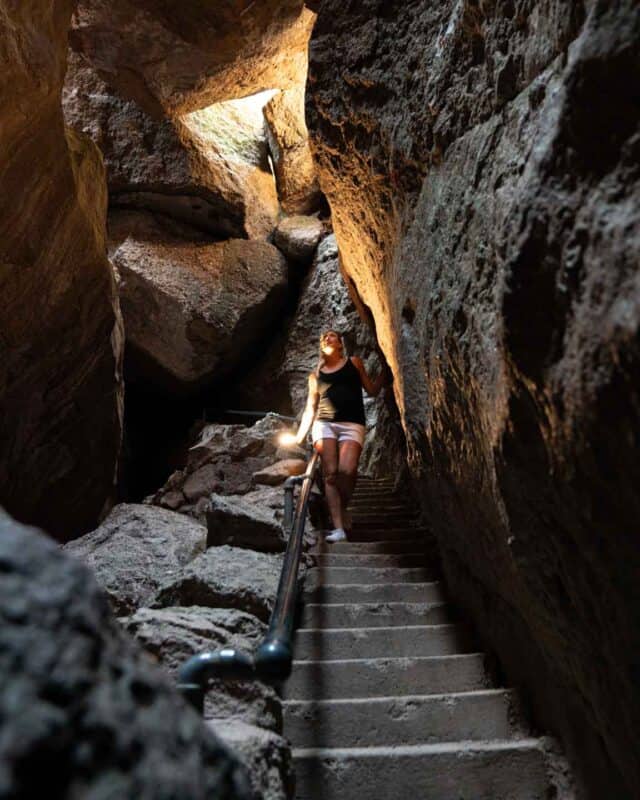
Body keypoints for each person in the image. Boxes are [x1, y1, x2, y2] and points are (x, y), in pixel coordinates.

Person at [286, 330, 388, 542]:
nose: (327, 338)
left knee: (347, 470)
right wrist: (299, 436)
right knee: (330, 475)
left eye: (331, 336)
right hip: (324, 425)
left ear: (341, 344)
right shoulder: (315, 375)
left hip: (352, 423)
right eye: (323, 338)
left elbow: (371, 390)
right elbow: (310, 408)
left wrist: (386, 370)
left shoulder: (354, 363)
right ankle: (339, 529)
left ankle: (342, 507)